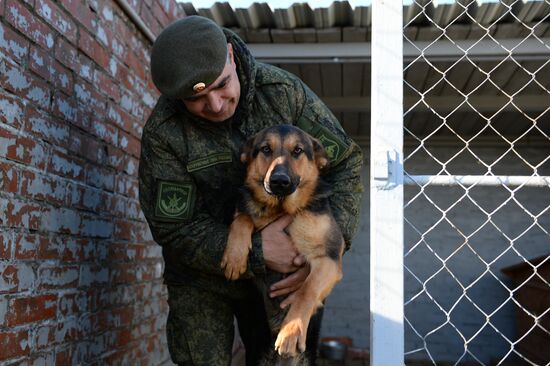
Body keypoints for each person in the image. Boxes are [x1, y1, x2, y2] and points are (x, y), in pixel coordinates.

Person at [138, 16, 363, 366]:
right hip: (204, 274)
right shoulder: (164, 132)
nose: (215, 105)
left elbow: (346, 163)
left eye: (221, 85)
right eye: (196, 98)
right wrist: (259, 249)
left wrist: (323, 251)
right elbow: (173, 228)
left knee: (287, 361)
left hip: (284, 274)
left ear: (230, 55)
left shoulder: (283, 93)